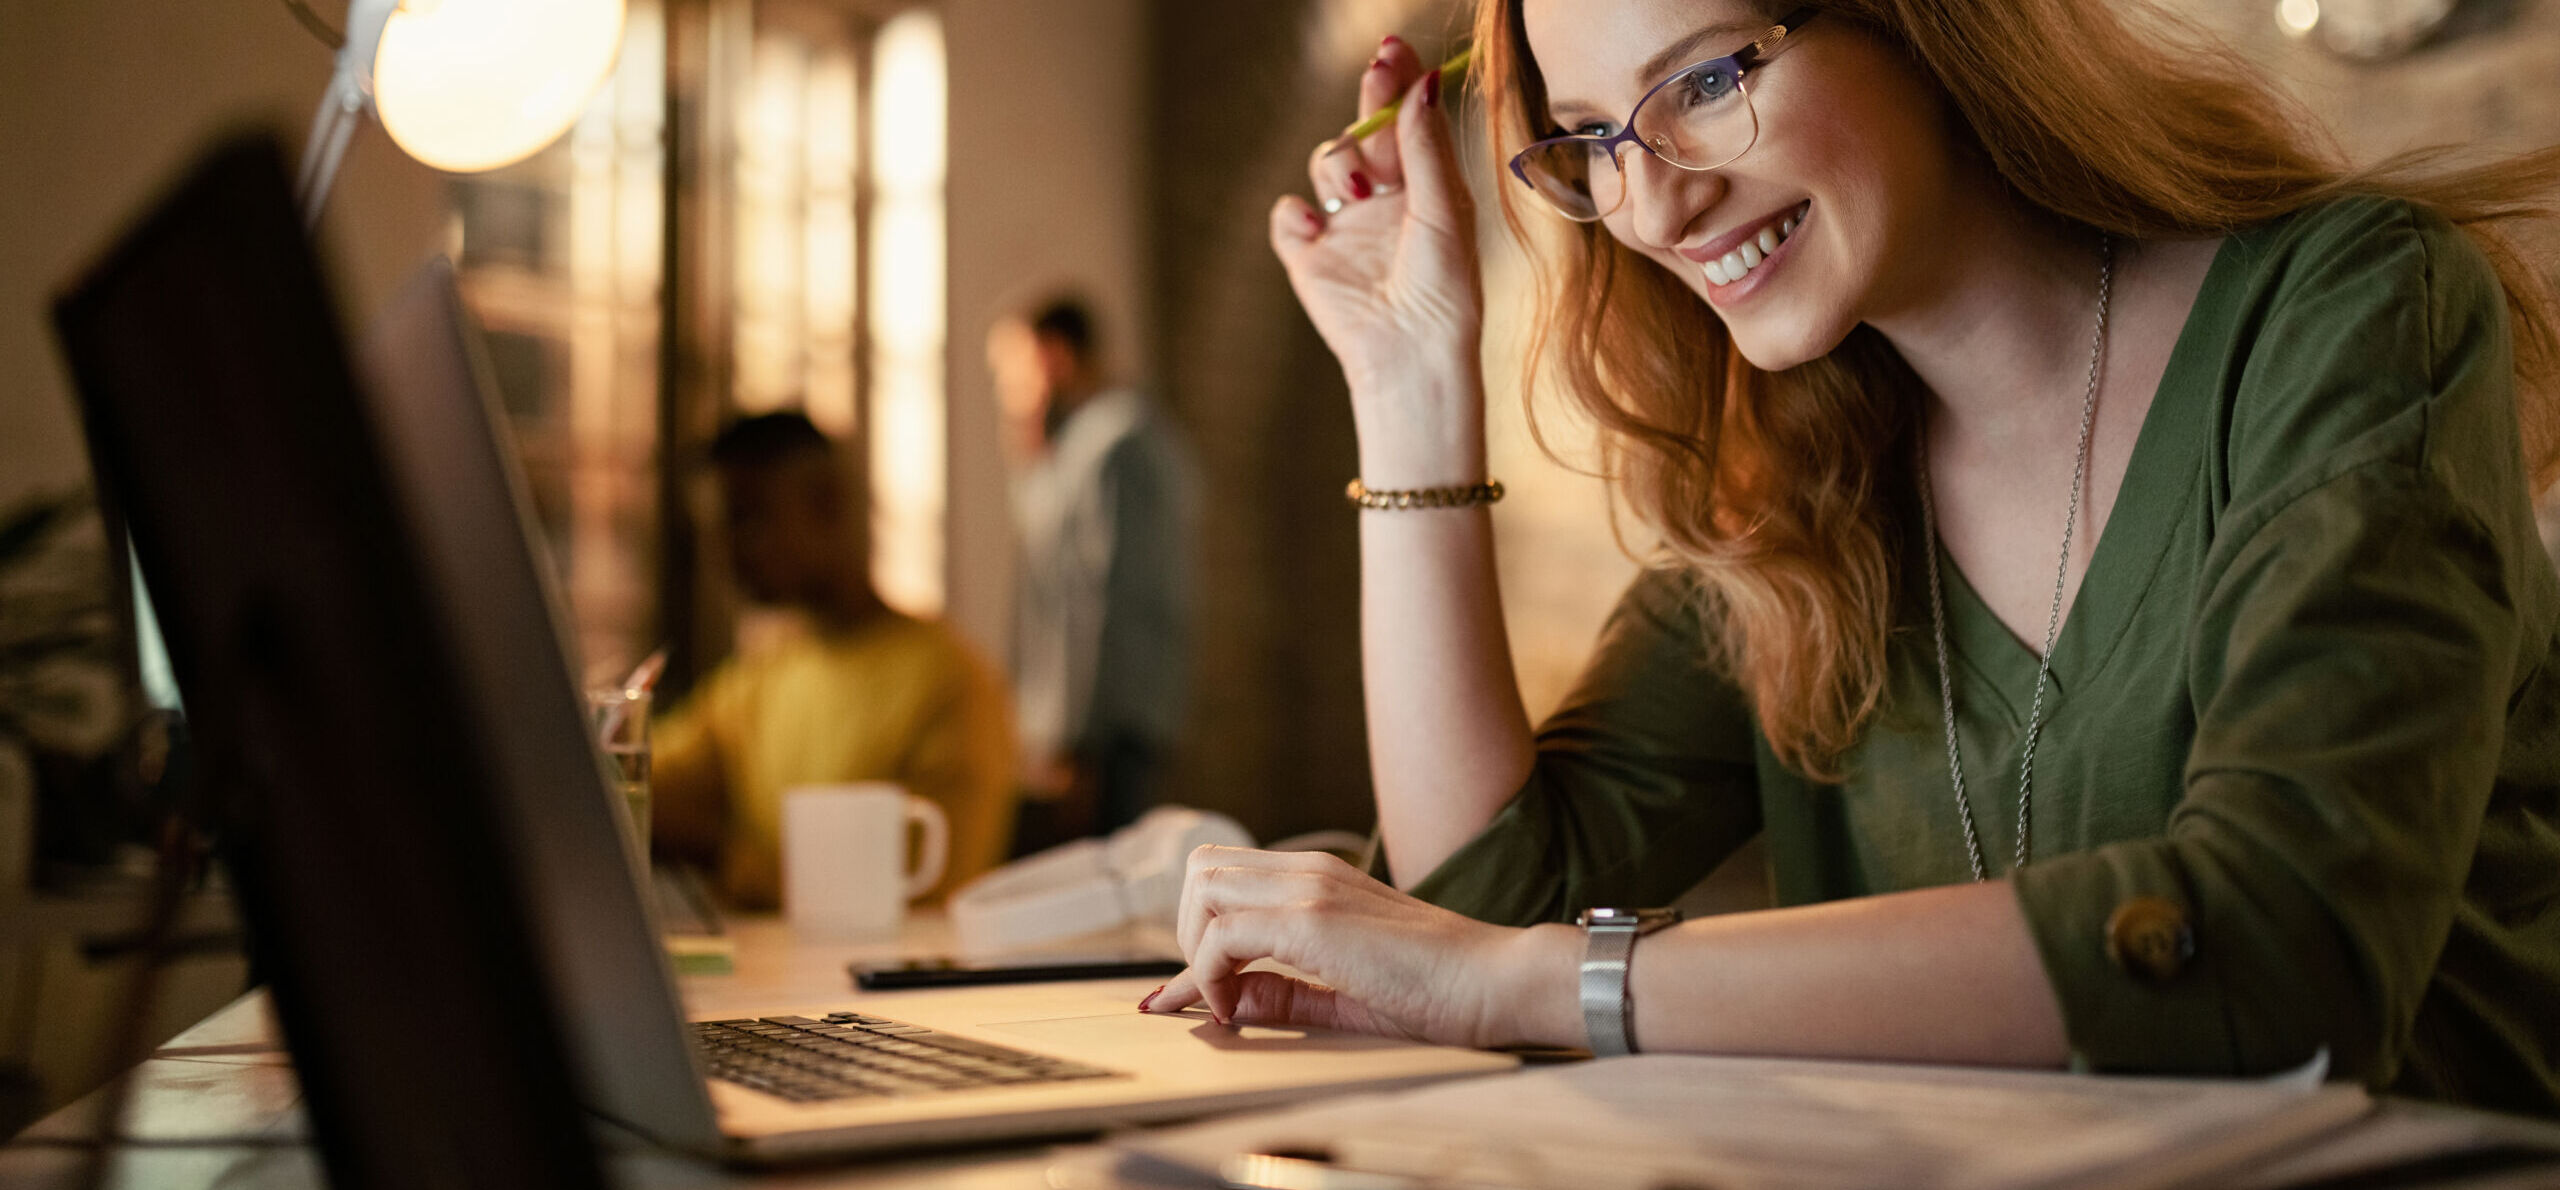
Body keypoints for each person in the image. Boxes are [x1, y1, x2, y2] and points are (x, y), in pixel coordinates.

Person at [1138, 0, 2560, 1116]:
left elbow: (2278, 943)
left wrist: (1517, 977)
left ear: (1923, 23)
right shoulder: (1807, 483)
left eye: (1703, 82)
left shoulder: (2356, 309)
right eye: (1591, 139)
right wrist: (1404, 381)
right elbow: (1474, 902)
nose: (1653, 205)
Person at [651, 412, 1015, 908]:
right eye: (718, 532)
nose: (728, 555)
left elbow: (926, 888)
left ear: (827, 504)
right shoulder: (760, 677)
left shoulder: (952, 683)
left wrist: (719, 853)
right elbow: (645, 777)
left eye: (748, 519)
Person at [988, 296, 1200, 843]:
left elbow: (1104, 600)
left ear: (1053, 355)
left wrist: (1077, 742)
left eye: (1011, 369)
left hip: (1104, 729)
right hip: (1083, 725)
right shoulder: (1078, 444)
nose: (1005, 388)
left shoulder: (1118, 445)